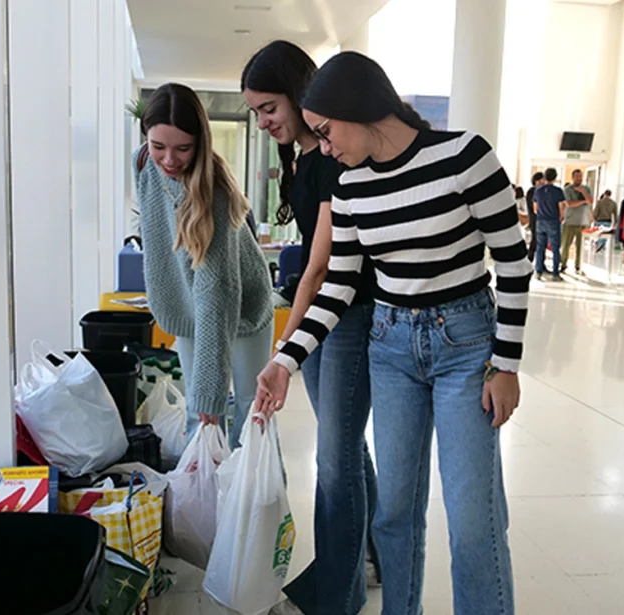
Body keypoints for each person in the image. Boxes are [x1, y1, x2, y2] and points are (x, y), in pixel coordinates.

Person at [256, 51, 532, 615]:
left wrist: (506, 366)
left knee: (473, 520)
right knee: (395, 516)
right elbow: (337, 286)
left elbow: (513, 261)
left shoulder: (464, 156)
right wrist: (285, 359)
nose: (326, 148)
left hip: (467, 347)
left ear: (356, 109)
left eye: (327, 133)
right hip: (391, 347)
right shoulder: (354, 188)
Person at [241, 40, 379, 615]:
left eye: (269, 106)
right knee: (347, 454)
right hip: (324, 319)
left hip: (347, 314)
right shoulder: (303, 156)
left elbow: (321, 264)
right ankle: (370, 561)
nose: (264, 120)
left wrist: (284, 351)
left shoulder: (330, 158)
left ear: (298, 92)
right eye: (255, 112)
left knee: (336, 462)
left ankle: (336, 598)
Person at [134, 83, 274, 449]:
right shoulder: (143, 164)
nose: (169, 160)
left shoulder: (215, 193)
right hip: (190, 305)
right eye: (158, 146)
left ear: (201, 142)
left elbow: (218, 291)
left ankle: (258, 504)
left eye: (183, 148)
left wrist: (213, 391)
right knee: (199, 415)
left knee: (250, 411)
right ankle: (205, 503)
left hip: (242, 306)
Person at [534, 168, 566, 281]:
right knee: (555, 248)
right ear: (555, 177)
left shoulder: (537, 191)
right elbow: (561, 207)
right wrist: (561, 217)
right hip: (553, 221)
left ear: (544, 177)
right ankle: (555, 273)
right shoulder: (558, 191)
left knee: (540, 247)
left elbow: (535, 209)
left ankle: (538, 272)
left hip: (540, 221)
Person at [561, 169, 593, 274]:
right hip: (570, 221)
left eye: (580, 176)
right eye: (577, 176)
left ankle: (578, 266)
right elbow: (569, 204)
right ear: (572, 177)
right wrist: (584, 201)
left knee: (581, 247)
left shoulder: (587, 189)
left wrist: (583, 192)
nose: (579, 178)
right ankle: (563, 264)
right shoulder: (567, 190)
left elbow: (591, 202)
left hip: (583, 222)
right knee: (566, 245)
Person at [526, 172, 545, 261]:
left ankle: (539, 262)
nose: (543, 182)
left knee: (541, 241)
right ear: (536, 181)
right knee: (535, 240)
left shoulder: (543, 191)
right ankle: (530, 259)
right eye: (541, 180)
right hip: (535, 219)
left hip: (543, 219)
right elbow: (533, 206)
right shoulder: (532, 191)